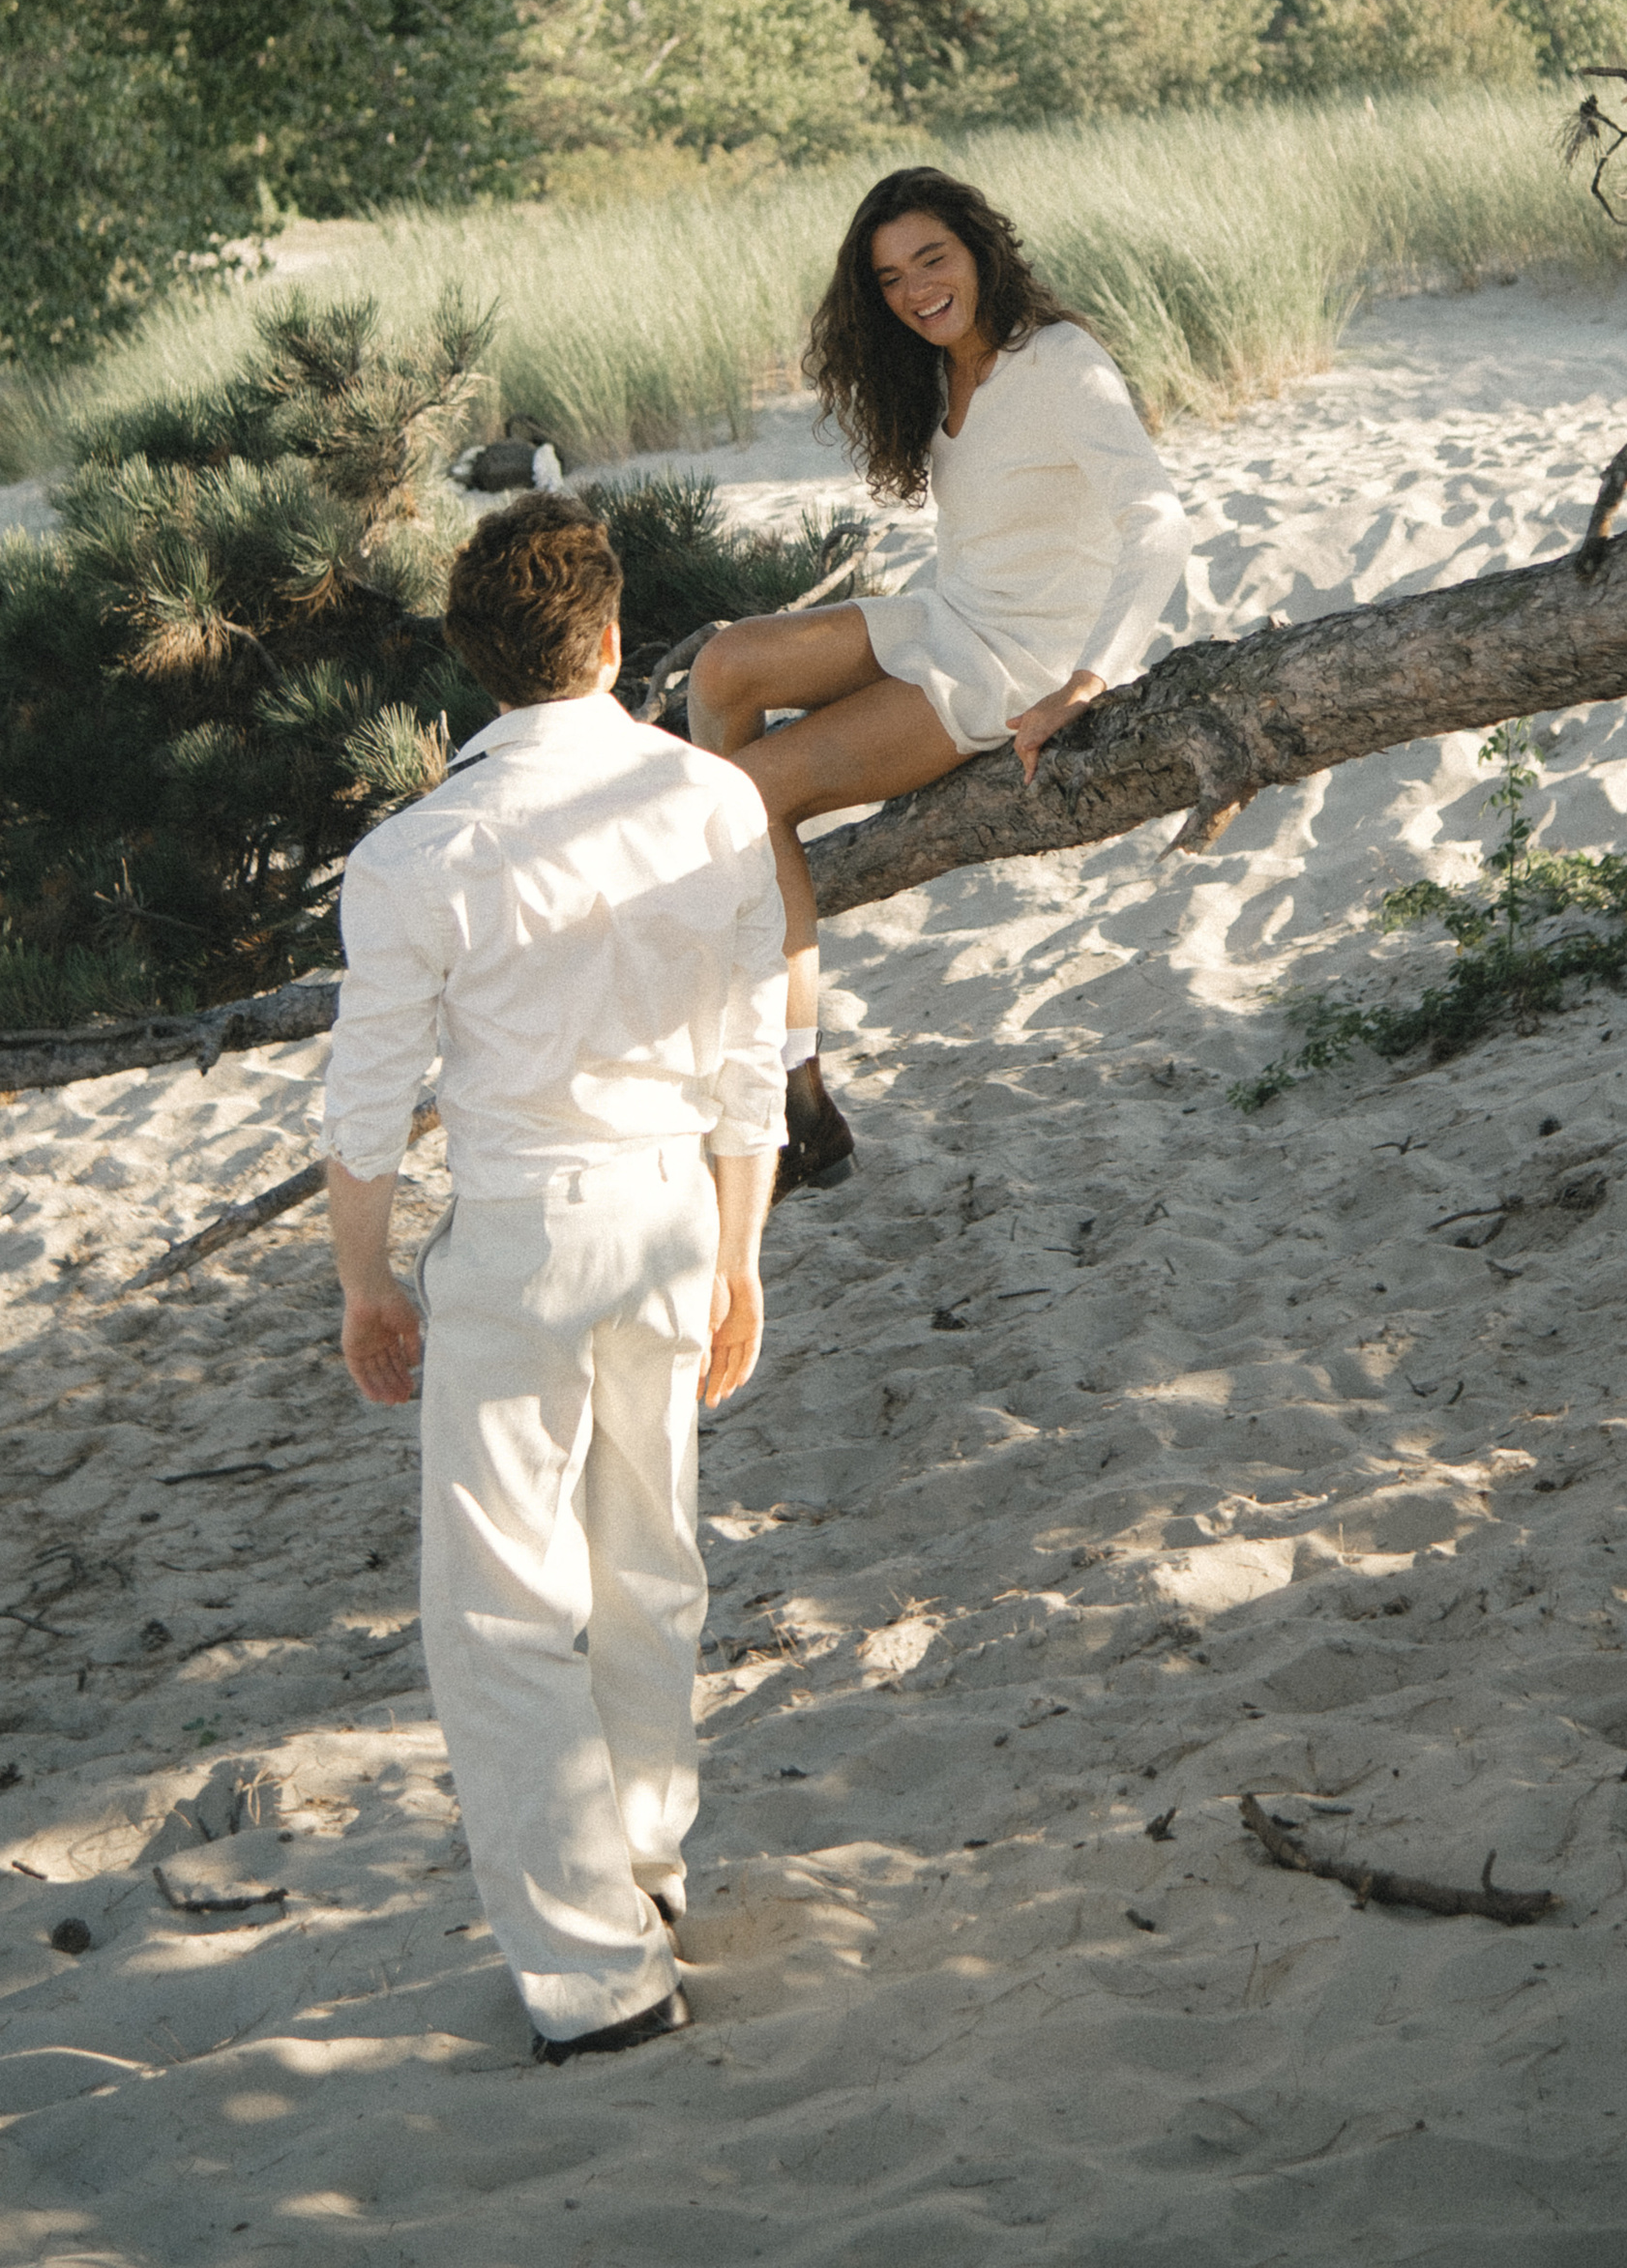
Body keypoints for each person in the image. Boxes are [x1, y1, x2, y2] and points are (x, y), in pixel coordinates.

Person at [322, 486, 784, 2065]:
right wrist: (742, 1256)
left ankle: (599, 1974)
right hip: (670, 1215)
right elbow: (753, 1060)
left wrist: (367, 1283)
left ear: (478, 660)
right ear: (607, 638)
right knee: (650, 1563)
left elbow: (366, 1108)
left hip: (523, 1229)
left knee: (504, 1612)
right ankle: (644, 1877)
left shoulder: (412, 853)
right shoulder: (713, 799)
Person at [689, 163, 1190, 1195]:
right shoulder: (944, 370)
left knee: (745, 796)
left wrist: (1089, 680)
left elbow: (1159, 523)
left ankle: (794, 1095)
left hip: (1014, 659)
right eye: (891, 278)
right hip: (945, 615)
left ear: (980, 250)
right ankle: (743, 910)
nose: (917, 290)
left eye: (933, 259)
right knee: (726, 663)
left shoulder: (1061, 361)